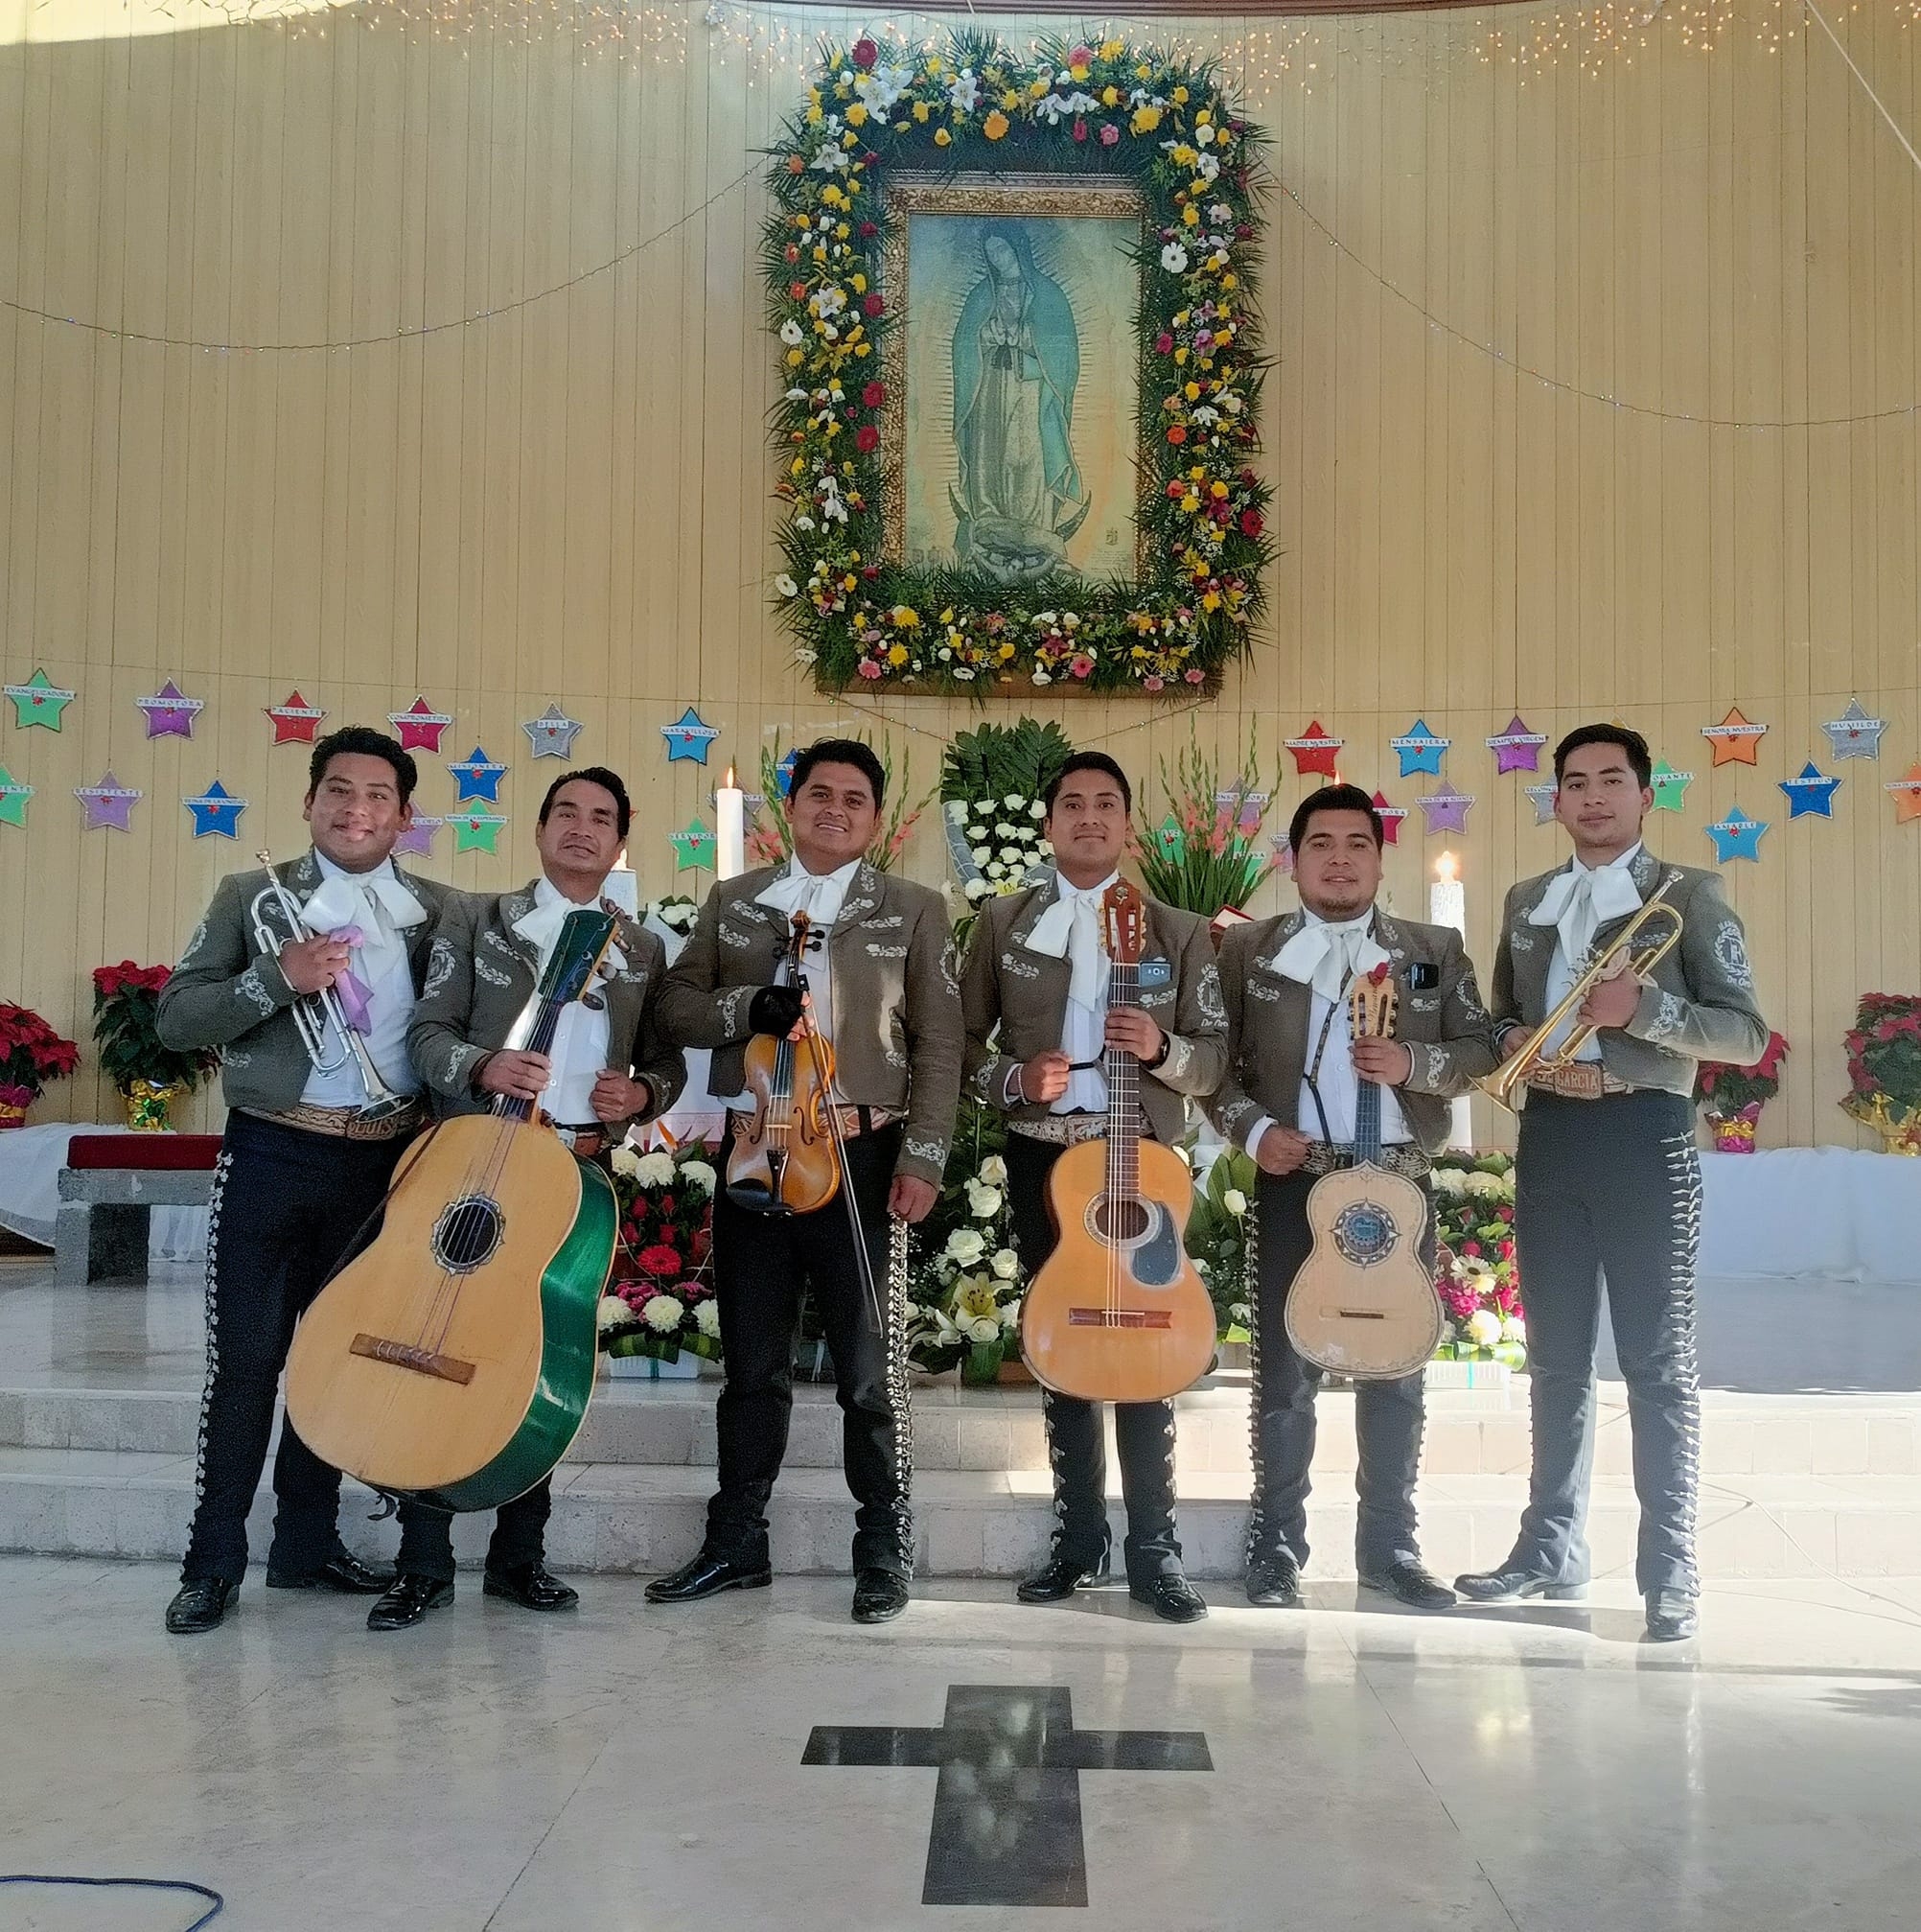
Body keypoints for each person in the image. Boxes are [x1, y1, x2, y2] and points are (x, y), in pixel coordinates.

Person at [1457, 725, 1768, 1642]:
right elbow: (1508, 1016)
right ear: (1555, 801)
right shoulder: (1526, 899)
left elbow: (1745, 1034)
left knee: (1657, 1364)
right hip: (1551, 1132)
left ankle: (1670, 1565)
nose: (1594, 798)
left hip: (1644, 1132)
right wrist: (1508, 1040)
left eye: (1613, 781)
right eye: (1576, 784)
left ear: (1644, 796)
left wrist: (1649, 1010)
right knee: (1553, 1359)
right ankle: (1550, 1546)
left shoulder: (1692, 895)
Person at [645, 739, 963, 1624]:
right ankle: (738, 1538)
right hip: (754, 1148)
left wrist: (923, 1157)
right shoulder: (736, 902)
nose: (834, 808)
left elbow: (942, 1043)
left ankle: (882, 1545)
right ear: (790, 804)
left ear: (876, 817)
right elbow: (674, 1007)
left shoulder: (911, 907)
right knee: (753, 1361)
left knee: (867, 1368)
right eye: (818, 793)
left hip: (861, 1154)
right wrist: (746, 1009)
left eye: (854, 798)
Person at [369, 767, 684, 1631]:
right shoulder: (475, 921)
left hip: (576, 1173)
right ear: (540, 828)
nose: (584, 829)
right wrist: (481, 1065)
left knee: (541, 1355)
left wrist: (644, 1093)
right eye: (567, 813)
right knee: (438, 1339)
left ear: (622, 842)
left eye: (603, 819)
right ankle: (422, 1562)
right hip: (478, 1159)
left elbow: (668, 1060)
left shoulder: (645, 949)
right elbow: (425, 1033)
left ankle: (520, 1556)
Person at [156, 727, 455, 1635]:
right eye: (336, 789)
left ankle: (304, 1544)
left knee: (337, 1368)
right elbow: (176, 1017)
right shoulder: (254, 896)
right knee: (247, 1363)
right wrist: (274, 978)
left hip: (384, 1162)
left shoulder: (442, 912)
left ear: (405, 817)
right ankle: (211, 1565)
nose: (353, 806)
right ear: (308, 801)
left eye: (375, 795)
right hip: (273, 1151)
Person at [1207, 784, 1497, 1613]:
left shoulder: (1433, 947)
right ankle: (1277, 1543)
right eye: (1321, 843)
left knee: (1397, 1364)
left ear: (1380, 856)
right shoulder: (1249, 951)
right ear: (1293, 859)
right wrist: (1255, 1130)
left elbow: (1477, 1047)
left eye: (1357, 843)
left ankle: (1391, 1546)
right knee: (1284, 1366)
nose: (1340, 857)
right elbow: (1211, 1064)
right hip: (1295, 1175)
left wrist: (1416, 1066)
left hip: (1395, 1179)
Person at [960, 753, 1227, 1623]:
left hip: (1140, 1162)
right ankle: (1077, 1540)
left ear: (1126, 824)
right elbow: (956, 1048)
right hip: (1048, 1163)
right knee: (1066, 1348)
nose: (1087, 817)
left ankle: (1156, 1547)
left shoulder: (1178, 930)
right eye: (1070, 804)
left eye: (1105, 803)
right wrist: (1011, 1078)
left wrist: (1161, 1048)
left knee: (1151, 1348)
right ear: (1047, 825)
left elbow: (1216, 1058)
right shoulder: (1001, 923)